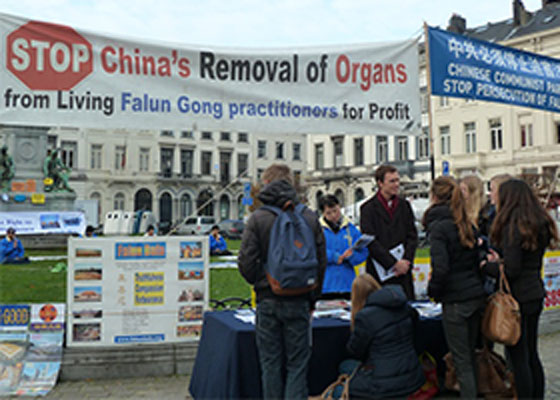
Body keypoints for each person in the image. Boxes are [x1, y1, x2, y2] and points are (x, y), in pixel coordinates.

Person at [238, 163, 327, 399]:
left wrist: (263, 280)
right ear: (291, 184)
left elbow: (246, 264)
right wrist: (312, 299)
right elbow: (321, 262)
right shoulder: (309, 217)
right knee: (297, 364)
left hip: (268, 299)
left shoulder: (258, 218)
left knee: (270, 364)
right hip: (300, 298)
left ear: (266, 184)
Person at [482, 179, 559, 399]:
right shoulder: (538, 222)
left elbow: (512, 269)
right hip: (535, 291)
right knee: (532, 353)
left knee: (519, 357)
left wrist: (488, 266)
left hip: (517, 298)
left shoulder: (513, 226)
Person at [424, 176, 486, 398]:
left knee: (462, 361)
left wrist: (433, 292)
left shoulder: (440, 228)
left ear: (434, 197)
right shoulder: (464, 222)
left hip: (457, 299)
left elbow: (441, 268)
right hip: (473, 294)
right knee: (468, 355)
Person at [343, 274, 425, 399]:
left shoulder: (365, 317)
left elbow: (355, 351)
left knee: (345, 368)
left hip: (382, 381)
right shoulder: (403, 306)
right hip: (410, 373)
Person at [360, 164, 418, 299]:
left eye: (398, 180)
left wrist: (406, 261)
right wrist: (393, 264)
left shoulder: (404, 206)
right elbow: (370, 241)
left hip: (403, 273)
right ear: (380, 183)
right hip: (380, 272)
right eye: (392, 181)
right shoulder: (368, 209)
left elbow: (412, 236)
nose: (396, 184)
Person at [318, 194, 368, 298]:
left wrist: (352, 256)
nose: (333, 215)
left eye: (335, 210)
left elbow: (363, 252)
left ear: (339, 206)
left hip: (348, 284)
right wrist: (332, 257)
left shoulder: (351, 229)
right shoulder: (318, 231)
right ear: (323, 213)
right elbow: (313, 251)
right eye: (328, 213)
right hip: (326, 285)